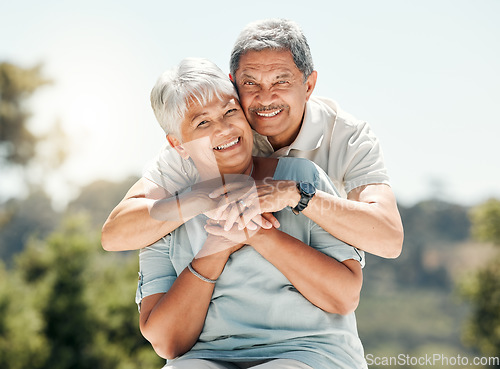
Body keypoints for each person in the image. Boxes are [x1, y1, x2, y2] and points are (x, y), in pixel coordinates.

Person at [101, 18, 403, 259]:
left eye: (281, 81)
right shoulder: (218, 135)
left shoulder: (349, 136)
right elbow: (116, 234)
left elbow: (388, 239)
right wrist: (202, 197)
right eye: (250, 82)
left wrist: (296, 195)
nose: (265, 98)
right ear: (233, 85)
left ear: (308, 85)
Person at [137, 57, 368, 369]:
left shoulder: (302, 178)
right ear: (177, 144)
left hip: (309, 354)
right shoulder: (168, 209)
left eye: (230, 111)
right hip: (206, 359)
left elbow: (344, 297)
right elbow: (167, 342)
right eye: (203, 123)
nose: (224, 129)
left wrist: (258, 233)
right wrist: (216, 249)